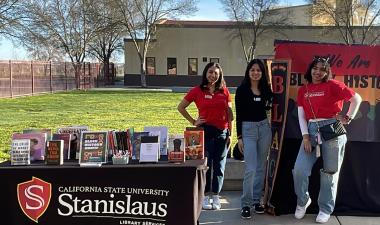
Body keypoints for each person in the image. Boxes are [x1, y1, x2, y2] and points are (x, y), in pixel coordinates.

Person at [293, 56, 362, 223]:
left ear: (327, 72)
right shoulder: (304, 89)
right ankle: (303, 201)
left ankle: (325, 208)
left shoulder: (333, 85)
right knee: (299, 170)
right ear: (310, 69)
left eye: (322, 69)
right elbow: (301, 117)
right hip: (310, 130)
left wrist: (348, 117)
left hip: (332, 130)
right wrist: (306, 137)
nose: (318, 72)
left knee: (330, 173)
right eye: (315, 68)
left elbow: (356, 99)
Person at [178, 62, 233, 210]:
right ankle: (204, 196)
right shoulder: (197, 91)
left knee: (219, 166)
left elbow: (230, 115)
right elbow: (181, 107)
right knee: (205, 166)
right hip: (205, 133)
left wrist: (231, 134)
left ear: (219, 75)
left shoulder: (225, 92)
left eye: (215, 73)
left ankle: (215, 195)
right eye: (210, 72)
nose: (212, 75)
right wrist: (194, 121)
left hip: (222, 133)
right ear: (205, 73)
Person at [235, 59, 273, 219]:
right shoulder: (242, 90)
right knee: (250, 168)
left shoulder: (266, 89)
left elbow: (269, 107)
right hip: (248, 130)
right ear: (248, 72)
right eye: (253, 70)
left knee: (260, 167)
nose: (256, 73)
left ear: (262, 73)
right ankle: (246, 203)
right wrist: (240, 137)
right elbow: (239, 115)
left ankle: (257, 201)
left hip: (264, 128)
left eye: (259, 70)